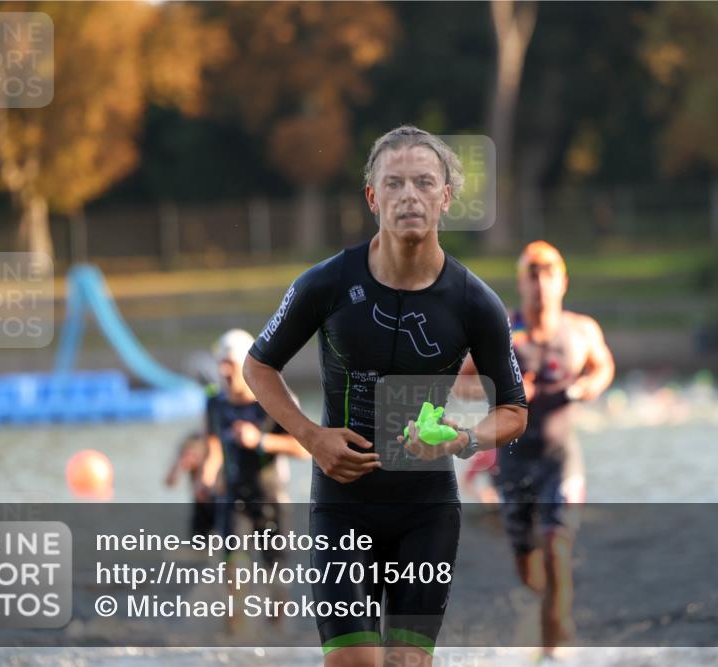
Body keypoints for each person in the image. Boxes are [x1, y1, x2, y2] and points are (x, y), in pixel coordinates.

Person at [243, 125, 528, 667]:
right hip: (342, 506)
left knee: (406, 664)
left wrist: (464, 439)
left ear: (445, 197)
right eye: (394, 183)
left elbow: (514, 410)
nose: (409, 195)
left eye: (424, 182)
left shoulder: (476, 303)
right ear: (372, 198)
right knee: (354, 663)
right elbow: (257, 366)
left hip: (426, 510)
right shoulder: (325, 284)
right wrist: (311, 437)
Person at [457, 240, 614, 660]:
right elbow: (461, 381)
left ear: (562, 281)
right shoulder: (502, 332)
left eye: (548, 275)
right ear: (520, 282)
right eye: (531, 275)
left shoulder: (581, 330)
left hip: (560, 461)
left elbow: (603, 365)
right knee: (530, 569)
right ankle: (553, 608)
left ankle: (553, 646)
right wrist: (503, 388)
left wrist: (588, 386)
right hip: (512, 464)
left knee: (557, 546)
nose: (540, 284)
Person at [200, 329, 309, 567]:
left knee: (278, 582)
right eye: (220, 365)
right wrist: (207, 477)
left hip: (272, 499)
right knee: (235, 570)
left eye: (229, 365)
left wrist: (260, 440)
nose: (223, 372)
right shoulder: (215, 402)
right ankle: (237, 605)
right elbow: (213, 444)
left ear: (245, 366)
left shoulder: (276, 399)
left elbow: (305, 449)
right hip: (234, 499)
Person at [164, 430, 216, 539]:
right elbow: (169, 483)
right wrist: (178, 466)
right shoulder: (185, 455)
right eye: (186, 454)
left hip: (216, 503)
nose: (189, 459)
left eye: (192, 455)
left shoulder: (210, 460)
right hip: (200, 507)